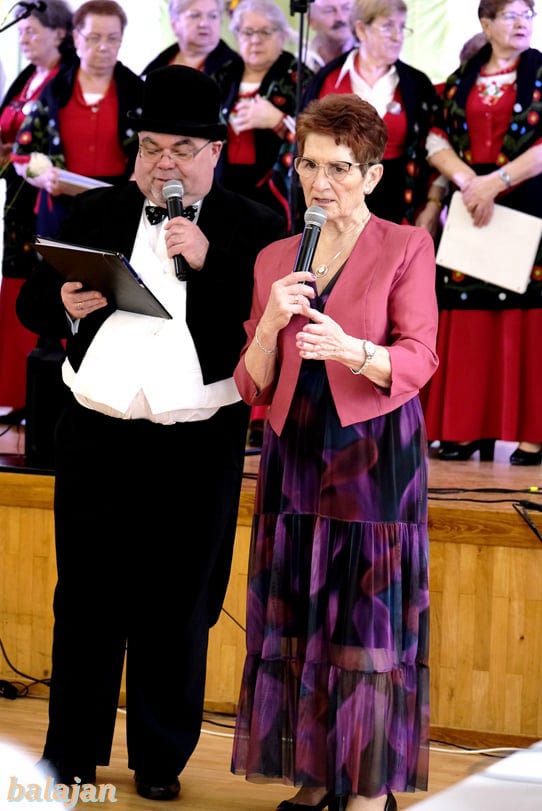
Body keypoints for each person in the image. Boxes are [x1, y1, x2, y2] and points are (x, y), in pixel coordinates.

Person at [16, 64, 286, 800]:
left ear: (214, 151)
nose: (164, 163)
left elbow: (271, 323)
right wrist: (65, 302)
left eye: (181, 150)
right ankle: (71, 752)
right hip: (96, 434)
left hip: (195, 442)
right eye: (151, 148)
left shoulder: (254, 226)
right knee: (85, 600)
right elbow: (33, 305)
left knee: (177, 605)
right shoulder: (96, 210)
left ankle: (159, 759)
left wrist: (209, 261)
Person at [230, 93, 438, 811]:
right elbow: (252, 384)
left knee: (361, 620)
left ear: (372, 175)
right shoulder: (275, 257)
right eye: (310, 165)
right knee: (299, 612)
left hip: (373, 450)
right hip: (295, 449)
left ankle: (368, 787)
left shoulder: (405, 246)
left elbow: (420, 355)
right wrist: (269, 325)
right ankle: (317, 774)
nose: (321, 183)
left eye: (340, 168)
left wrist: (352, 350)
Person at [422, 0, 542, 465]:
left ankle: (532, 432)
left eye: (528, 15)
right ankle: (465, 426)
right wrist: (470, 182)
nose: (522, 23)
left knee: (526, 315)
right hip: (473, 206)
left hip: (529, 202)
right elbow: (436, 138)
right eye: (511, 15)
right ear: (486, 24)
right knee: (468, 314)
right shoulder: (462, 80)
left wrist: (497, 182)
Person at [302, 0, 443, 236]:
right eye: (388, 26)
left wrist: (433, 204)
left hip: (398, 201)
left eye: (402, 26)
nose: (397, 36)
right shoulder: (327, 79)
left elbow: (435, 146)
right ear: (361, 29)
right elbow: (303, 144)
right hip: (333, 196)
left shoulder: (417, 85)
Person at [11, 0, 143, 240]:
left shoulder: (136, 91)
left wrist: (136, 185)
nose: (103, 47)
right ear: (76, 38)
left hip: (118, 208)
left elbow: (156, 149)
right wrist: (42, 177)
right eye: (94, 37)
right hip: (61, 207)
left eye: (112, 38)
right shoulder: (55, 90)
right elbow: (21, 155)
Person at [0, 0, 74, 419]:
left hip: (50, 197)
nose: (23, 39)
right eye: (20, 32)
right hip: (18, 198)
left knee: (46, 285)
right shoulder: (27, 77)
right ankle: (15, 393)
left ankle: (44, 399)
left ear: (59, 33)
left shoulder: (67, 77)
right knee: (16, 283)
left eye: (31, 30)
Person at [219, 0, 314, 227]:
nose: (255, 40)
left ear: (282, 35)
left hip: (273, 193)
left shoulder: (300, 78)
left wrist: (279, 121)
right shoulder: (224, 75)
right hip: (224, 188)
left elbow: (318, 136)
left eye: (265, 32)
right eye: (247, 32)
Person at [140, 0, 243, 81]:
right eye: (195, 15)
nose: (204, 23)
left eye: (213, 16)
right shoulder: (156, 67)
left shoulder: (236, 68)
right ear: (174, 24)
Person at [304, 0, 357, 73]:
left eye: (346, 8)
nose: (341, 18)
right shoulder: (303, 62)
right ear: (311, 21)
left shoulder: (367, 58)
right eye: (329, 11)